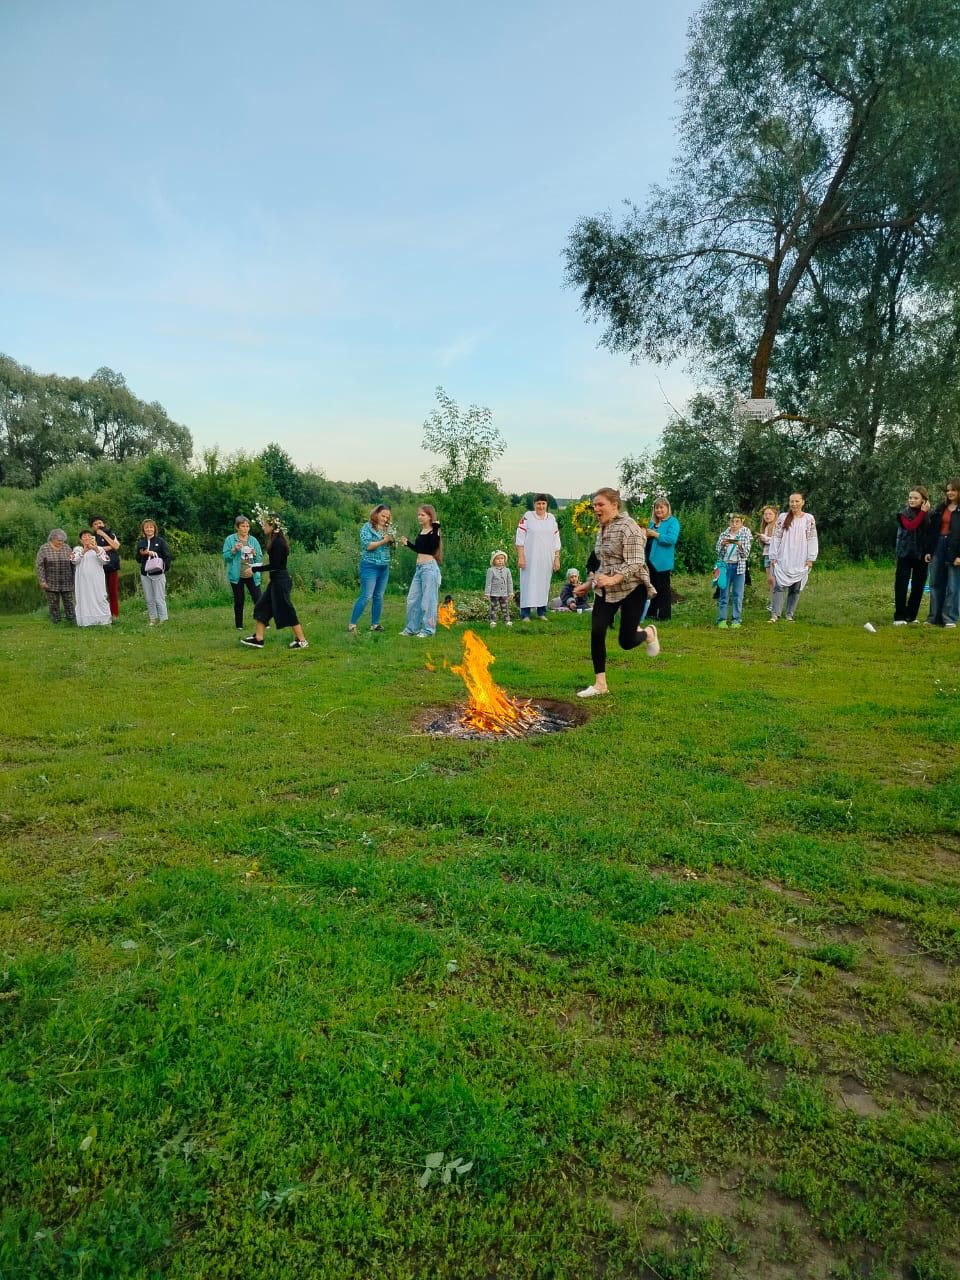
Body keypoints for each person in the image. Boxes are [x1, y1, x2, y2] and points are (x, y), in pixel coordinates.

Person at [575, 488, 660, 698]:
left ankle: (648, 633)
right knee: (597, 630)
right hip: (606, 589)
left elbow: (636, 561)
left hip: (632, 587)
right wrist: (588, 583)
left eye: (600, 504)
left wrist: (613, 578)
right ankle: (600, 684)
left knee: (626, 641)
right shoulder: (602, 528)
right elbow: (602, 562)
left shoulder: (628, 526)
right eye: (594, 505)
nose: (596, 509)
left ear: (615, 505)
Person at [240, 514, 309, 649]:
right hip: (276, 580)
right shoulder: (274, 540)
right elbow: (275, 565)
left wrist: (254, 569)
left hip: (281, 582)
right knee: (262, 606)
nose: (263, 527)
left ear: (273, 526)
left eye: (265, 524)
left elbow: (276, 566)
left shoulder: (278, 543)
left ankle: (302, 641)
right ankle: (259, 639)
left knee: (286, 609)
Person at [768, 494, 818, 622]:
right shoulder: (783, 517)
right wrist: (773, 555)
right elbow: (776, 536)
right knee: (779, 586)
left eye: (797, 501)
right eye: (792, 501)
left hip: (800, 557)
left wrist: (810, 558)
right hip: (784, 556)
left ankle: (789, 614)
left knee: (795, 588)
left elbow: (812, 538)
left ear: (802, 502)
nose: (794, 504)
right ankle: (775, 614)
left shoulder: (809, 518)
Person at [348, 504, 395, 633]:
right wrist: (384, 541)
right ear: (376, 514)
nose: (385, 519)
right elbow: (367, 546)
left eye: (387, 517)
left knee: (378, 596)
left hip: (384, 567)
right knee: (366, 595)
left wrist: (392, 542)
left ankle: (375, 624)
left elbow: (391, 547)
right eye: (383, 515)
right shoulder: (367, 527)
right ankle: (352, 625)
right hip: (369, 566)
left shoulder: (388, 529)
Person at [398, 506, 442, 637]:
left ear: (430, 516)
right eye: (418, 515)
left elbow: (434, 547)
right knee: (413, 599)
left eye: (422, 515)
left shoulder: (434, 531)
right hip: (419, 569)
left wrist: (436, 527)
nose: (419, 517)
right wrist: (408, 544)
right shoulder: (422, 531)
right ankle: (412, 628)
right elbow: (420, 549)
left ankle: (428, 630)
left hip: (429, 569)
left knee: (428, 601)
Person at [515, 494, 561, 620]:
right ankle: (525, 613)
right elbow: (520, 538)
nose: (541, 506)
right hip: (530, 557)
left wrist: (557, 558)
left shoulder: (551, 518)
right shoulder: (528, 517)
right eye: (538, 503)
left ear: (547, 505)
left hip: (546, 558)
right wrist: (521, 557)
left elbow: (556, 540)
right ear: (534, 505)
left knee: (543, 583)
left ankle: (541, 612)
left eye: (543, 503)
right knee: (528, 583)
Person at [893, 487, 930, 625]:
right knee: (901, 585)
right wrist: (922, 513)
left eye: (915, 498)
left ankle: (911, 616)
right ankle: (899, 617)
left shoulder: (928, 514)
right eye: (910, 497)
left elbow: (930, 533)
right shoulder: (903, 513)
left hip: (921, 554)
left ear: (923, 500)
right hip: (905, 553)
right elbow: (911, 526)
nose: (912, 500)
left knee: (918, 586)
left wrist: (929, 552)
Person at [925, 480, 960, 628]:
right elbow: (932, 530)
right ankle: (934, 618)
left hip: (955, 548)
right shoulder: (941, 508)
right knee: (935, 583)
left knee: (953, 585)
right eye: (948, 490)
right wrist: (928, 550)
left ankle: (949, 618)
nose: (950, 493)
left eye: (953, 490)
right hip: (938, 545)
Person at [223, 516, 264, 630]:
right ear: (237, 527)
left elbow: (259, 558)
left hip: (252, 573)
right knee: (239, 600)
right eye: (243, 526)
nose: (245, 529)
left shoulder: (253, 541)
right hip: (237, 575)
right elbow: (226, 557)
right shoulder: (230, 540)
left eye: (247, 526)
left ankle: (263, 622)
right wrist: (234, 550)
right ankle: (239, 625)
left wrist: (255, 554)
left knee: (258, 599)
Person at [714, 514, 752, 629]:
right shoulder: (724, 535)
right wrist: (722, 545)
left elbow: (745, 555)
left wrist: (739, 545)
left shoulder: (745, 535)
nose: (734, 525)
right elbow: (718, 553)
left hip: (739, 568)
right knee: (723, 594)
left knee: (738, 594)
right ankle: (722, 619)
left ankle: (736, 619)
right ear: (729, 523)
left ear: (741, 523)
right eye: (732, 522)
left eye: (737, 522)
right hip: (725, 567)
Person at [645, 498, 680, 621]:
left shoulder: (673, 522)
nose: (659, 510)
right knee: (651, 587)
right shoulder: (651, 523)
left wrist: (655, 535)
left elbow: (671, 540)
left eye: (661, 507)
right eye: (656, 508)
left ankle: (664, 615)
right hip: (649, 561)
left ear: (667, 508)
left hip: (662, 562)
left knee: (663, 589)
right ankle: (651, 612)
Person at [71, 530, 112, 627]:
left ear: (92, 538)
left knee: (100, 597)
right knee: (84, 599)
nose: (86, 538)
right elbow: (73, 561)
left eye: (89, 536)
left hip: (97, 580)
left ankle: (104, 621)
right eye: (84, 537)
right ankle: (86, 623)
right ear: (81, 540)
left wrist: (95, 549)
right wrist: (84, 550)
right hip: (82, 582)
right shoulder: (77, 549)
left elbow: (105, 561)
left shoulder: (100, 549)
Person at [135, 519, 172, 625]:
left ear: (155, 529)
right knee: (149, 598)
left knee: (159, 598)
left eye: (151, 527)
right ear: (143, 529)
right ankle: (153, 619)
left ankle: (163, 619)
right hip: (145, 574)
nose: (149, 529)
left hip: (158, 574)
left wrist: (163, 568)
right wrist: (143, 554)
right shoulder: (141, 542)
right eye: (146, 527)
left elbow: (168, 556)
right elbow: (137, 559)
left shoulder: (160, 541)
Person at [35, 528, 75, 624]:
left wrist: (75, 579)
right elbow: (39, 565)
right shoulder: (44, 548)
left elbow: (73, 564)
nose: (61, 542)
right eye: (59, 540)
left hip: (67, 581)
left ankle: (71, 620)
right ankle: (56, 621)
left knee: (69, 602)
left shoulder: (67, 547)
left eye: (63, 540)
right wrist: (42, 581)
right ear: (52, 539)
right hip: (51, 581)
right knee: (53, 603)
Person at [89, 515, 121, 618]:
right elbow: (92, 549)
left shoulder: (111, 533)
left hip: (112, 566)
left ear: (104, 524)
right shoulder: (91, 537)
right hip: (98, 567)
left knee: (113, 592)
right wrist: (108, 547)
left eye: (100, 523)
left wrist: (103, 535)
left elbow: (116, 546)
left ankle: (114, 615)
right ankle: (101, 614)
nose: (98, 525)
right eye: (95, 524)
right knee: (100, 592)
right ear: (92, 526)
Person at [484, 550, 514, 628]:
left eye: (502, 558)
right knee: (493, 607)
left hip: (504, 593)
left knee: (505, 607)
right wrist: (487, 593)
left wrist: (510, 592)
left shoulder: (507, 570)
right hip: (494, 593)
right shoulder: (491, 570)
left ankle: (507, 620)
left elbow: (509, 582)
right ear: (493, 561)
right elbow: (488, 583)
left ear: (505, 560)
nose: (500, 560)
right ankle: (492, 621)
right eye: (497, 559)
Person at [758, 506, 779, 611]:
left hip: (774, 556)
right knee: (770, 580)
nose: (767, 516)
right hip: (766, 554)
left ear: (775, 515)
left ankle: (776, 604)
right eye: (765, 514)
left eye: (770, 514)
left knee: (774, 580)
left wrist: (766, 539)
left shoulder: (777, 526)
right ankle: (773, 602)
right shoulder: (765, 527)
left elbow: (779, 541)